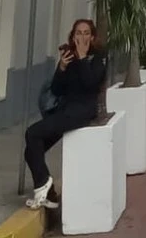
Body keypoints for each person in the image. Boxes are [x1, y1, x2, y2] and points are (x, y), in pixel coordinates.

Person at [24, 18, 106, 211]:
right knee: (31, 151)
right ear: (73, 36)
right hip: (65, 111)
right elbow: (57, 89)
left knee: (32, 133)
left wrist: (83, 57)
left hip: (82, 111)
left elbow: (90, 85)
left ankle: (42, 184)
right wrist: (61, 67)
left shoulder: (98, 59)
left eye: (86, 33)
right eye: (78, 33)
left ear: (92, 37)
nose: (82, 37)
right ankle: (49, 195)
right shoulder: (69, 57)